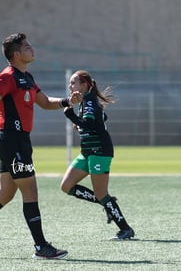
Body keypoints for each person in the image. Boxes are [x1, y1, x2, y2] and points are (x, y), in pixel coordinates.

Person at [0, 33, 81, 259]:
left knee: (5, 194)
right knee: (30, 190)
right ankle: (41, 247)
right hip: (12, 141)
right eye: (27, 46)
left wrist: (68, 101)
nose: (32, 49)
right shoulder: (6, 77)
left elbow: (45, 102)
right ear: (16, 54)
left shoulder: (28, 77)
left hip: (19, 141)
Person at [61, 70, 135, 240]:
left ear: (85, 85)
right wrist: (79, 121)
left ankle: (125, 229)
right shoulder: (87, 102)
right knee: (66, 186)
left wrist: (71, 116)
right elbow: (101, 117)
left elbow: (88, 123)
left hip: (99, 151)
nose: (70, 86)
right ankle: (107, 203)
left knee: (101, 192)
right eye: (70, 83)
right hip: (87, 152)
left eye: (74, 83)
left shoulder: (88, 101)